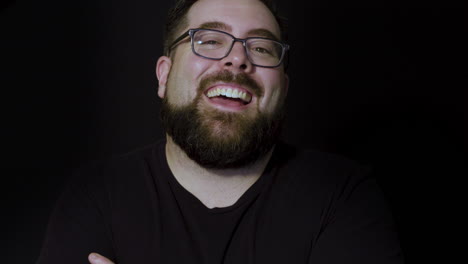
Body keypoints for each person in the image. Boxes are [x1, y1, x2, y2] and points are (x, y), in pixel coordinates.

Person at [37, 0, 404, 263]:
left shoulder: (342, 194)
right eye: (210, 40)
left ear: (284, 89)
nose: (237, 59)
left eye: (261, 48)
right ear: (164, 75)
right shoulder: (97, 193)